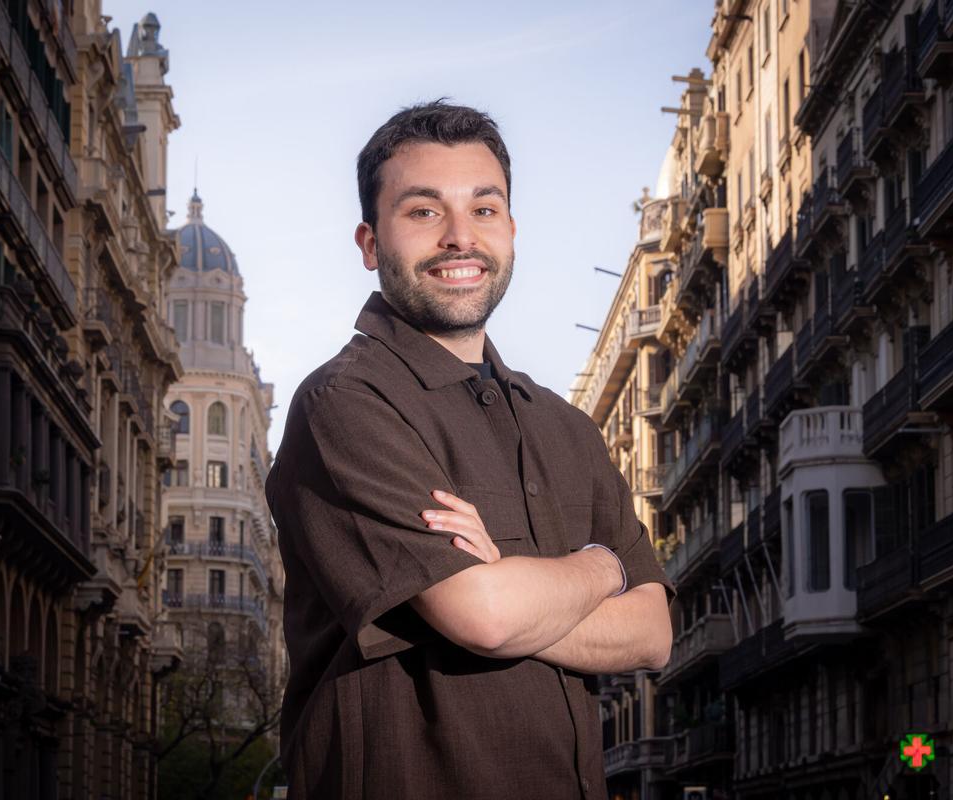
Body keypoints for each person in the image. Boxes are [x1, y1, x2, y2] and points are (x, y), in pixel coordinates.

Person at [265, 100, 674, 800]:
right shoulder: (346, 404)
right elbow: (482, 616)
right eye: (423, 212)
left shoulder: (566, 427)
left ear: (510, 230)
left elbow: (652, 634)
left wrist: (515, 590)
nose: (461, 238)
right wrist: (601, 566)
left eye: (484, 210)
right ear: (370, 243)